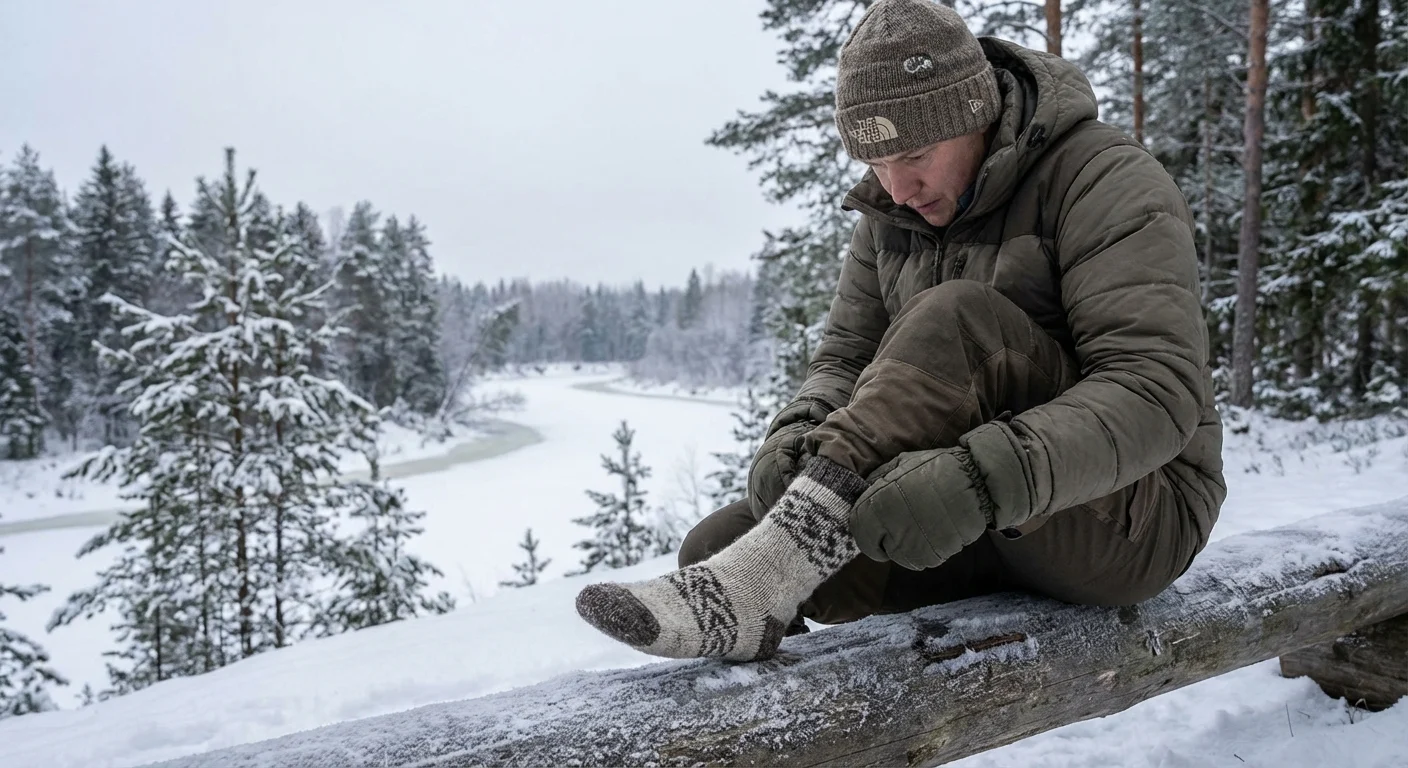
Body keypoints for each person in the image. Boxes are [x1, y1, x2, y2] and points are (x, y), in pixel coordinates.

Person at [576, 0, 1226, 662]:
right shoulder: (890, 214)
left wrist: (980, 480)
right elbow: (844, 361)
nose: (898, 186)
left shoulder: (1102, 177)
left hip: (1129, 518)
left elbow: (1155, 390)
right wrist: (798, 434)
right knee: (717, 545)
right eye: (875, 161)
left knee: (960, 316)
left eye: (915, 154)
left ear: (975, 112)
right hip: (965, 521)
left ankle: (767, 575)